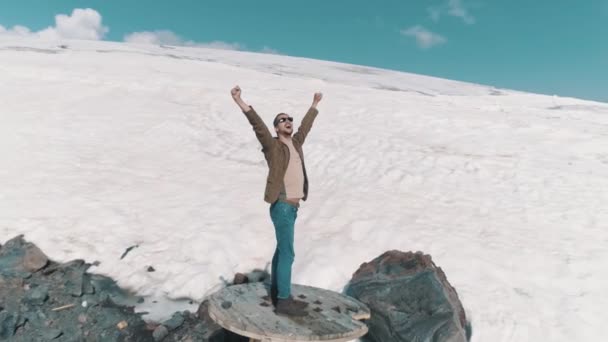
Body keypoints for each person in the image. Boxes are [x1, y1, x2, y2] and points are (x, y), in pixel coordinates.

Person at [230, 85, 322, 316]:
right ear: (276, 127)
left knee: (282, 251)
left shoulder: (296, 143)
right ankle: (283, 300)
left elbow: (305, 128)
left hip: (292, 207)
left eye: (289, 119)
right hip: (282, 206)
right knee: (288, 253)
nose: (288, 121)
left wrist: (313, 105)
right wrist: (240, 101)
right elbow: (257, 125)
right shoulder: (273, 147)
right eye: (282, 120)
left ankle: (275, 290)